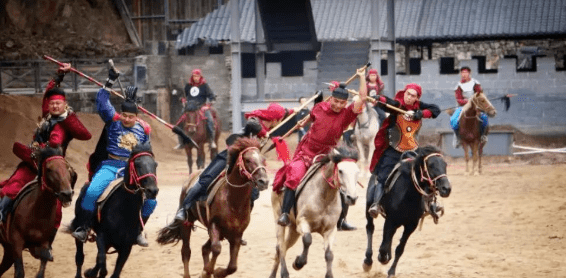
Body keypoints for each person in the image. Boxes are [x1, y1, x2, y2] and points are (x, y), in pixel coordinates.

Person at [0, 63, 92, 231]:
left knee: (65, 183)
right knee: (17, 181)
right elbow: (46, 95)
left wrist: (70, 118)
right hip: (35, 160)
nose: (55, 106)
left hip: (54, 163)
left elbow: (86, 135)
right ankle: (0, 210)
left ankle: (58, 217)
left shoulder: (66, 121)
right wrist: (59, 75)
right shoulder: (47, 116)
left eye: (59, 104)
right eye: (52, 104)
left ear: (65, 105)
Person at [273, 66, 368, 227]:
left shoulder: (347, 115)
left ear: (346, 103)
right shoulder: (319, 107)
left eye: (342, 103)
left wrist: (362, 77)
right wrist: (305, 121)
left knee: (342, 178)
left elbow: (363, 97)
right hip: (307, 152)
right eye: (336, 101)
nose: (338, 105)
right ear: (330, 99)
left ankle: (341, 219)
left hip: (328, 154)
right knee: (295, 175)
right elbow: (312, 116)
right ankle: (284, 214)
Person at [71, 67, 155, 247]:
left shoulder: (144, 129)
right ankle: (84, 227)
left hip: (132, 169)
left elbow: (147, 154)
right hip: (110, 165)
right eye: (124, 115)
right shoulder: (113, 121)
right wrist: (109, 81)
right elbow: (101, 101)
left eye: (130, 116)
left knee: (151, 200)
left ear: (137, 117)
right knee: (92, 192)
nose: (126, 119)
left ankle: (137, 231)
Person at [173, 103, 292, 222]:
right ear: (275, 119)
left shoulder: (270, 127)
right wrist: (262, 132)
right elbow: (251, 124)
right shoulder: (256, 120)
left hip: (248, 163)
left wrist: (293, 110)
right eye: (280, 119)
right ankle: (183, 209)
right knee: (206, 180)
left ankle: (239, 224)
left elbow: (285, 113)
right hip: (230, 156)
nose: (280, 122)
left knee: (254, 194)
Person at [368, 83, 441, 218]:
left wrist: (420, 113)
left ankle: (432, 204)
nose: (408, 97)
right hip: (394, 149)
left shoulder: (419, 106)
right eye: (407, 94)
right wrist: (378, 98)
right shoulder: (398, 106)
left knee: (428, 173)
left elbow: (436, 110)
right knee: (383, 175)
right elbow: (387, 102)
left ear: (417, 98)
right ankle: (376, 204)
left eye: (412, 96)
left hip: (413, 149)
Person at [177, 69, 217, 149]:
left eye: (197, 76)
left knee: (210, 121)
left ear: (200, 76)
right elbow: (182, 95)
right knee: (179, 122)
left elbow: (212, 97)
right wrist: (183, 100)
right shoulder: (188, 85)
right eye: (194, 76)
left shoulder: (204, 86)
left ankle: (211, 140)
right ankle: (181, 142)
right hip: (189, 107)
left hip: (201, 107)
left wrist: (208, 106)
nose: (196, 78)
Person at [450, 66, 488, 148]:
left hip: (476, 105)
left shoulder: (475, 83)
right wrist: (467, 101)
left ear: (469, 73)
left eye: (465, 72)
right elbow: (459, 99)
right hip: (462, 107)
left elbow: (480, 94)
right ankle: (458, 138)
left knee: (484, 118)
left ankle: (482, 136)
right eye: (462, 73)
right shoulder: (459, 86)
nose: (464, 74)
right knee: (453, 120)